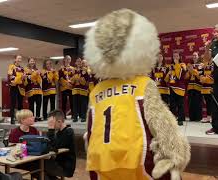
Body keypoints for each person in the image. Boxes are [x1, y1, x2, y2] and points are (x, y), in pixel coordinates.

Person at [84, 9, 190, 180]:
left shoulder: (96, 91)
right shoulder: (143, 84)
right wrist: (177, 156)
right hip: (136, 159)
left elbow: (90, 132)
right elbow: (163, 126)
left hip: (101, 161)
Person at [46, 109, 76, 179]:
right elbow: (49, 145)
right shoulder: (59, 132)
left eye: (51, 123)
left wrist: (51, 129)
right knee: (38, 166)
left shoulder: (69, 132)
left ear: (59, 121)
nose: (50, 125)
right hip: (58, 163)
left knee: (39, 166)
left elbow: (55, 147)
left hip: (65, 167)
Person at [167, 52, 188, 126]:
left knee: (180, 105)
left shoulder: (183, 65)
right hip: (172, 87)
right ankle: (173, 119)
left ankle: (180, 120)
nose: (175, 57)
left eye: (177, 56)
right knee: (172, 105)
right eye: (174, 56)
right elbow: (168, 78)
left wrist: (176, 65)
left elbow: (179, 76)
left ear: (179, 57)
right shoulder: (170, 66)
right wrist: (168, 75)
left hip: (180, 88)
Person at [7, 55, 26, 124]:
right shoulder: (11, 67)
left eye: (20, 58)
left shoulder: (22, 68)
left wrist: (21, 77)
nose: (19, 59)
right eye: (18, 58)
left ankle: (21, 119)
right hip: (14, 87)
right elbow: (11, 77)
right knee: (13, 103)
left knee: (20, 104)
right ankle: (12, 118)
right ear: (15, 59)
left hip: (21, 88)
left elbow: (24, 79)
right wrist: (20, 77)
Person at [187, 52, 204, 122]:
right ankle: (192, 117)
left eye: (195, 55)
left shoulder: (201, 65)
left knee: (198, 102)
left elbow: (200, 77)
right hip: (190, 86)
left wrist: (193, 71)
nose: (194, 56)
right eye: (193, 55)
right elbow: (186, 77)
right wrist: (189, 71)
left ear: (198, 56)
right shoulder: (189, 65)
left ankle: (198, 117)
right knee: (191, 103)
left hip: (198, 86)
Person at [71, 58, 83, 122]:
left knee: (81, 102)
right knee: (75, 103)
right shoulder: (73, 70)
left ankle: (81, 115)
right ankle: (75, 117)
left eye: (80, 61)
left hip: (82, 89)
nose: (79, 62)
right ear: (75, 63)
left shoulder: (83, 70)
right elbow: (70, 79)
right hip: (75, 88)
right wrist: (74, 78)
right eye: (77, 61)